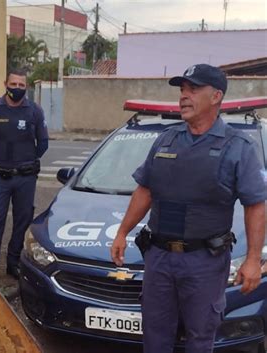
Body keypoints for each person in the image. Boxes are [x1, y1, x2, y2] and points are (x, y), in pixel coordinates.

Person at [111, 64, 266, 353]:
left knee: (200, 338)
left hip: (204, 262)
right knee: (155, 337)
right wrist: (123, 232)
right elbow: (145, 190)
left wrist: (253, 259)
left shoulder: (238, 147)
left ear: (216, 96)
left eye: (193, 89)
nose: (183, 96)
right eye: (182, 90)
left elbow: (255, 205)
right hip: (159, 259)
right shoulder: (166, 140)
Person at [0, 68, 49, 281]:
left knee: (22, 221)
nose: (17, 88)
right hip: (0, 177)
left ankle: (13, 262)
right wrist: (2, 159)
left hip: (25, 178)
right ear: (5, 84)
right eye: (13, 84)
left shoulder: (34, 111)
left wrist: (25, 161)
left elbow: (43, 144)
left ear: (25, 87)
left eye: (21, 85)